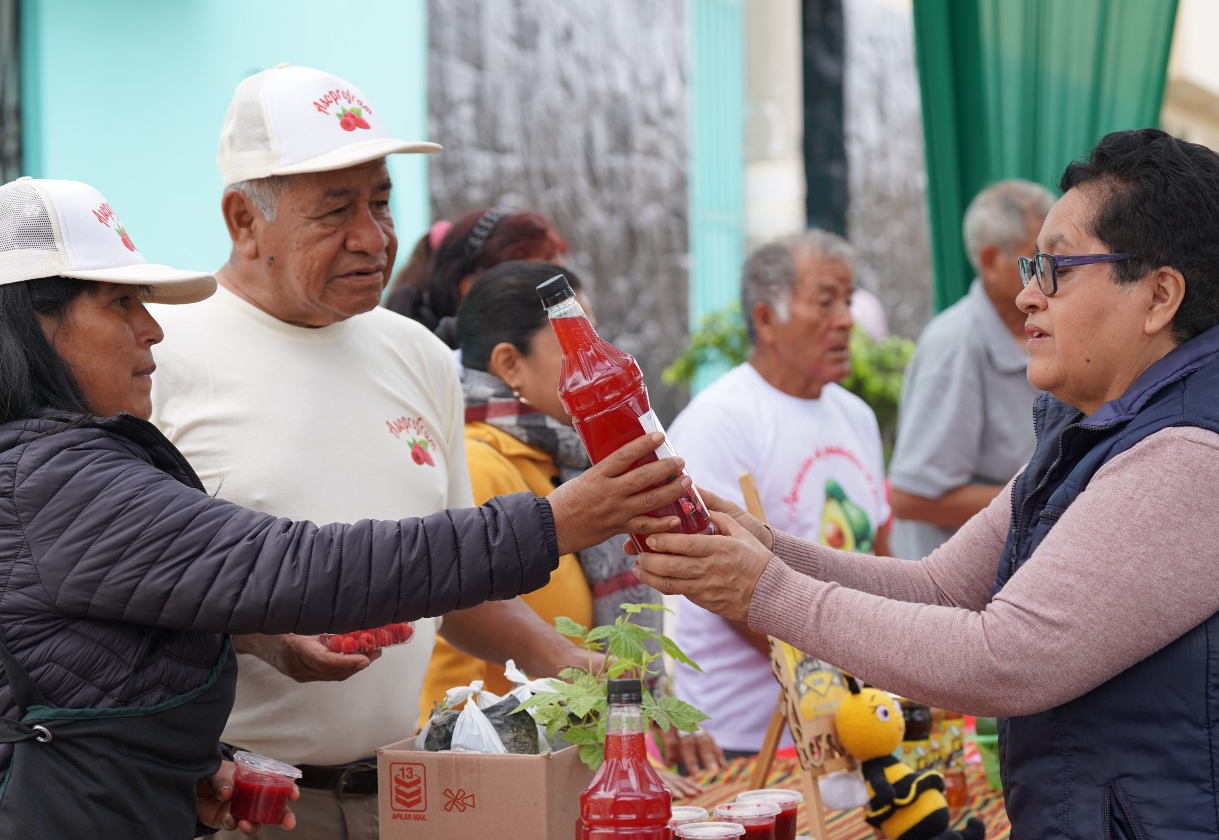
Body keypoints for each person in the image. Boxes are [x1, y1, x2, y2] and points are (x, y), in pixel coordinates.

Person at [0, 177, 686, 840]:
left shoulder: (10, 460)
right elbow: (298, 563)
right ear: (32, 326)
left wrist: (205, 710)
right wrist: (549, 525)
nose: (152, 330)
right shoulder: (50, 477)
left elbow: (36, 647)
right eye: (121, 304)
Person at [636, 129, 1219, 840]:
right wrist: (764, 546)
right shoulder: (1099, 428)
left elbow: (1009, 658)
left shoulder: (1197, 457)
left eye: (1057, 268)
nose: (1026, 294)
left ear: (1158, 296)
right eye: (1031, 265)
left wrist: (765, 591)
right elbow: (948, 588)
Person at [147, 65, 612, 840]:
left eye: (383, 202)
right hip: (238, 826)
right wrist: (260, 633)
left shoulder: (418, 357)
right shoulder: (162, 354)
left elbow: (453, 580)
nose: (373, 237)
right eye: (335, 210)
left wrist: (562, 660)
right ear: (245, 221)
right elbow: (128, 592)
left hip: (412, 808)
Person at [418, 260, 723, 787]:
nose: (593, 354)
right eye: (571, 336)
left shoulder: (562, 461)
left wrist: (651, 714)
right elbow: (477, 643)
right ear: (510, 364)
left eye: (594, 332)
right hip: (492, 769)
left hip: (549, 761)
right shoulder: (479, 463)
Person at [665, 230, 890, 758]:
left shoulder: (854, 415)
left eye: (849, 300)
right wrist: (835, 669)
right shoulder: (719, 419)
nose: (846, 320)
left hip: (852, 721)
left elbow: (878, 549)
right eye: (825, 301)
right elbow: (714, 574)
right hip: (747, 738)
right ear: (766, 319)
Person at [888, 180, 1053, 560]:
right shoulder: (956, 344)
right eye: (1037, 259)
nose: (1050, 273)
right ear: (992, 261)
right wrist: (1051, 492)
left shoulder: (1040, 332)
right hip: (951, 602)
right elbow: (911, 498)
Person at [386, 205, 569, 344]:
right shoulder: (446, 379)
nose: (562, 301)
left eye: (562, 283)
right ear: (472, 288)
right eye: (540, 286)